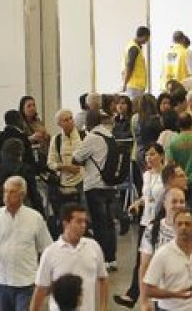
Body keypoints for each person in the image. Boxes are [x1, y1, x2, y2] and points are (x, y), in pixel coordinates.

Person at [0, 176, 52, 311]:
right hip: (2, 282)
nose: (7, 196)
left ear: (22, 195)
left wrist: (47, 276)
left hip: (27, 283)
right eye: (5, 191)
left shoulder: (35, 218)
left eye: (12, 192)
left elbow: (46, 249)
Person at [114, 143, 167, 308]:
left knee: (159, 261)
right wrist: (137, 203)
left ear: (161, 156)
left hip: (160, 223)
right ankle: (133, 295)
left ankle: (159, 297)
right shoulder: (146, 175)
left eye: (152, 154)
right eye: (146, 155)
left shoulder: (166, 175)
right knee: (141, 261)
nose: (148, 158)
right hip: (145, 222)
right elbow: (146, 196)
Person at [31, 203, 109, 311]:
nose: (83, 225)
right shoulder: (50, 252)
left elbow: (103, 279)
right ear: (65, 223)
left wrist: (103, 307)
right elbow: (41, 288)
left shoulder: (93, 246)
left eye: (84, 221)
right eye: (79, 221)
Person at [72, 110, 118, 271]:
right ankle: (112, 258)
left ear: (89, 122)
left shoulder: (91, 138)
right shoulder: (109, 136)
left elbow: (76, 158)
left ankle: (103, 259)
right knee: (110, 223)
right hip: (110, 185)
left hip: (95, 185)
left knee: (99, 224)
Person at [143, 208, 192, 311]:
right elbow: (148, 290)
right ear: (174, 227)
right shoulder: (162, 254)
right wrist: (175, 294)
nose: (183, 228)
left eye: (187, 224)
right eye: (179, 224)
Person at [0, 138, 45, 215]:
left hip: (2, 211)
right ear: (20, 153)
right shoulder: (26, 169)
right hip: (22, 210)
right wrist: (41, 214)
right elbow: (34, 195)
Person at [47, 109, 85, 215]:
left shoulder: (84, 135)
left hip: (83, 180)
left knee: (84, 212)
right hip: (65, 183)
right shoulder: (56, 139)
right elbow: (50, 163)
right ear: (59, 124)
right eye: (65, 120)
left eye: (71, 118)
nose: (69, 122)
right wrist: (65, 167)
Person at [122, 26, 151, 98]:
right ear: (144, 36)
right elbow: (130, 65)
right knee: (136, 107)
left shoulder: (133, 46)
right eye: (147, 38)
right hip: (135, 86)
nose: (147, 41)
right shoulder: (134, 48)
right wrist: (125, 83)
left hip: (135, 85)